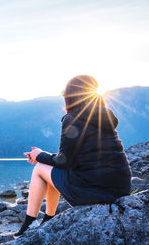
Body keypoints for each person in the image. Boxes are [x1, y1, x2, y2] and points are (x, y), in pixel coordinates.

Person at [14, 74, 131, 236]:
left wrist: (38, 155)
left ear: (70, 96)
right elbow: (75, 156)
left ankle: (28, 224)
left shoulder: (72, 118)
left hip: (93, 192)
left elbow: (64, 161)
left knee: (40, 168)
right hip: (120, 189)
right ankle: (48, 219)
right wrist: (41, 154)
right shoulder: (105, 117)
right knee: (50, 167)